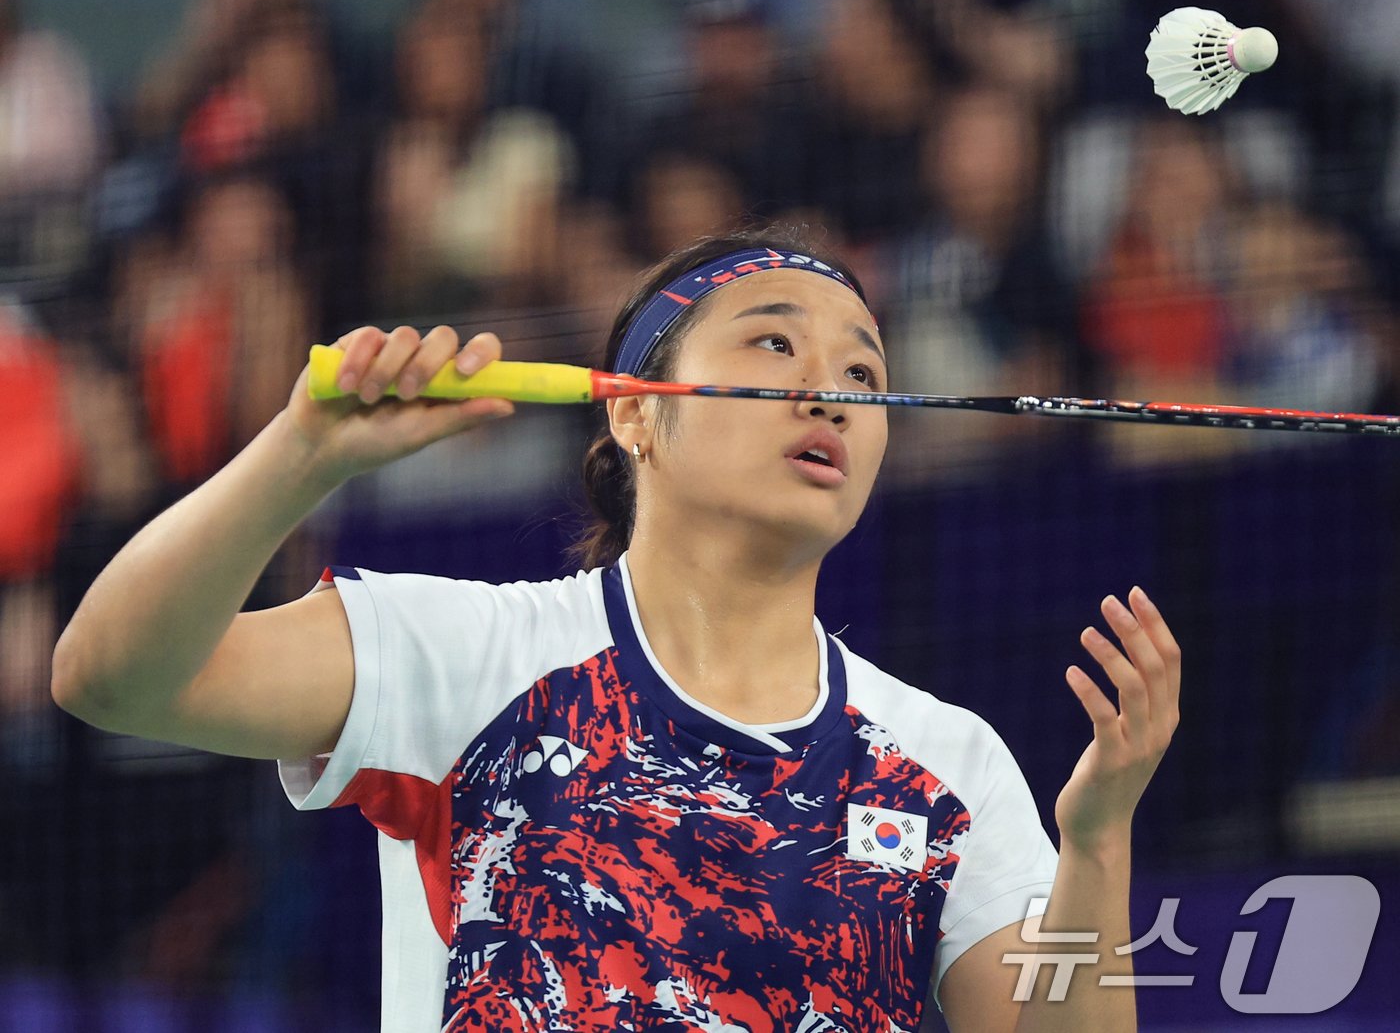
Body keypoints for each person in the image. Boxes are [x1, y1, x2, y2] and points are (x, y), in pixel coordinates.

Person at [52, 227, 1180, 1032]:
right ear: (636, 408)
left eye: (862, 368)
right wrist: (298, 458)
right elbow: (110, 675)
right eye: (773, 345)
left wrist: (1095, 844)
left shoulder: (949, 763)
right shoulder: (467, 656)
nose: (829, 391)